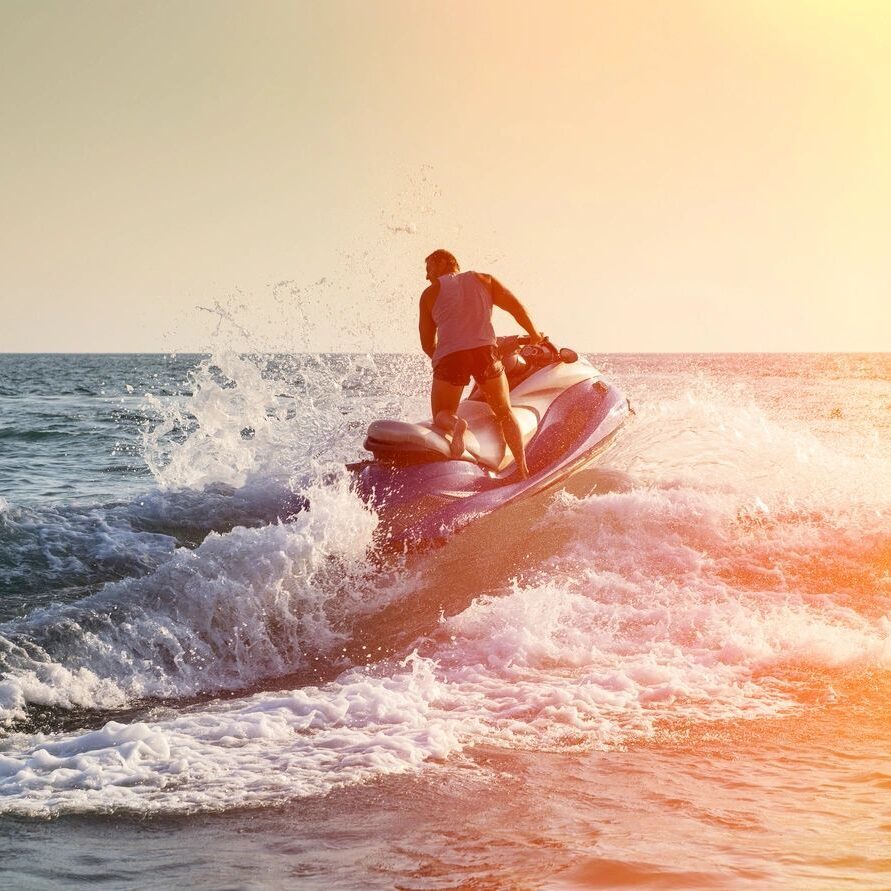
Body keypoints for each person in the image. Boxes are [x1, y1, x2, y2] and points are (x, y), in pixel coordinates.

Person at [418, 249, 543, 479]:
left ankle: (456, 425)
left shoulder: (429, 295)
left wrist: (444, 364)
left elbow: (427, 343)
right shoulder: (485, 280)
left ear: (445, 262)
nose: (427, 276)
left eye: (429, 269)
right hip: (485, 353)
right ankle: (523, 472)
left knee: (441, 414)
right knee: (504, 412)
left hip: (450, 357)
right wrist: (533, 334)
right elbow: (516, 307)